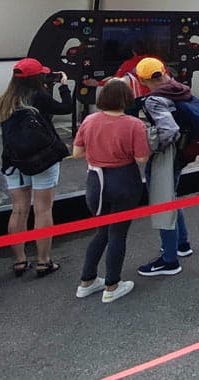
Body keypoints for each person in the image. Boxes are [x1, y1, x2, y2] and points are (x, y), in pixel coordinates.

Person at [0, 58, 72, 277]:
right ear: (37, 78)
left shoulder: (4, 100)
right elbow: (65, 108)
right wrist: (64, 86)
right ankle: (43, 261)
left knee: (19, 210)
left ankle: (20, 260)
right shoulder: (38, 97)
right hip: (42, 158)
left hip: (13, 160)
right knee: (43, 209)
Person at [73, 79, 149, 304]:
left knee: (101, 232)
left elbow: (77, 153)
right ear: (126, 99)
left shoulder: (89, 120)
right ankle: (112, 285)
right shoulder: (134, 125)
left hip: (95, 181)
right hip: (124, 180)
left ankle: (87, 281)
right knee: (118, 234)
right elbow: (141, 158)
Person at [136, 57, 196, 278]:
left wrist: (154, 148)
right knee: (171, 196)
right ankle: (182, 243)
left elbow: (169, 130)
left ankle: (170, 260)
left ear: (142, 80)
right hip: (182, 152)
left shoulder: (155, 99)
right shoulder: (178, 88)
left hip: (167, 155)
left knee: (162, 202)